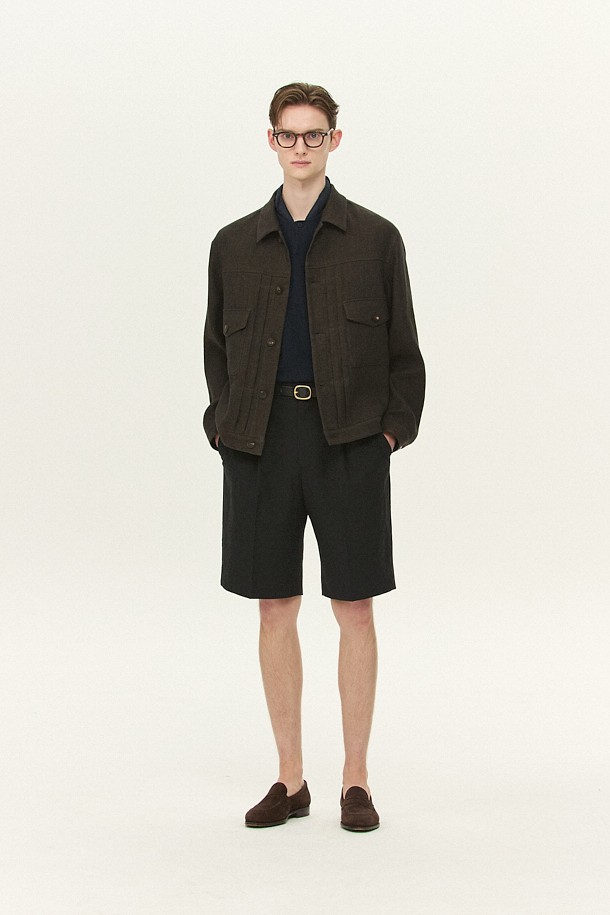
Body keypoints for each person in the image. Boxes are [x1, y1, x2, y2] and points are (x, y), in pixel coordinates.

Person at [203, 82, 425, 832]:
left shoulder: (376, 238)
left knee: (354, 606)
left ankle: (355, 780)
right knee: (275, 605)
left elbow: (404, 352)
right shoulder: (233, 244)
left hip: (350, 440)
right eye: (288, 135)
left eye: (314, 134)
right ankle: (290, 778)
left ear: (335, 140)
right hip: (261, 442)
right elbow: (216, 351)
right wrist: (225, 426)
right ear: (271, 141)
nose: (301, 147)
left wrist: (388, 434)